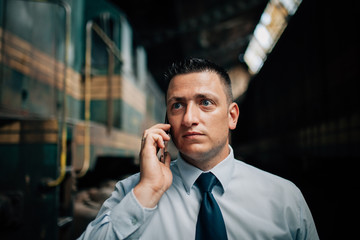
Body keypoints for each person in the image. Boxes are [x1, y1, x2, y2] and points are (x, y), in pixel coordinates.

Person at [78, 58, 319, 239]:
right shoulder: (133, 193)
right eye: (177, 105)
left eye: (205, 103)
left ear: (232, 116)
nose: (189, 118)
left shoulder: (285, 200)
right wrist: (148, 191)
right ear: (166, 121)